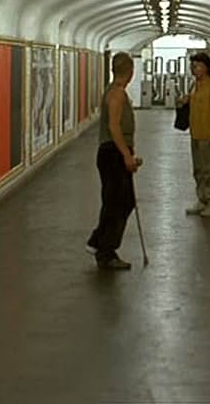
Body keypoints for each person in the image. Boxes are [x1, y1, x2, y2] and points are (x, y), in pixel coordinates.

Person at [85, 52, 140, 269]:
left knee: (117, 201)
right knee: (119, 202)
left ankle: (99, 243)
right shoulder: (117, 94)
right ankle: (105, 250)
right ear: (130, 71)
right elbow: (114, 127)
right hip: (113, 153)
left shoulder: (114, 91)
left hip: (113, 152)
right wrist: (126, 155)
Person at [181, 52, 210, 218]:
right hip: (196, 133)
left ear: (207, 67)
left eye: (198, 65)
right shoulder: (195, 85)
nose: (194, 69)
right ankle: (202, 199)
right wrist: (187, 100)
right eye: (193, 66)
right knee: (198, 168)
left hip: (208, 134)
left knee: (209, 169)